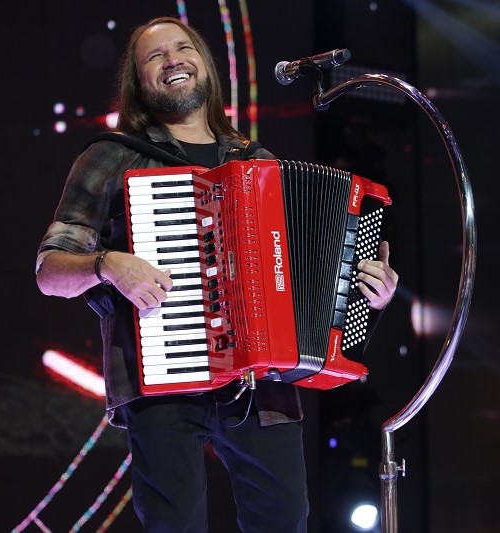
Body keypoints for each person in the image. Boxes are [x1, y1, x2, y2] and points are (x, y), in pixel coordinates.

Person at [36, 16, 399, 533]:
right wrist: (105, 264)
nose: (173, 60)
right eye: (155, 57)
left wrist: (368, 293)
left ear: (206, 64)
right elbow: (49, 271)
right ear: (139, 83)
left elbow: (310, 290)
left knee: (285, 519)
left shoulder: (259, 163)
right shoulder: (111, 157)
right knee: (175, 522)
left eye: (184, 48)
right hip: (163, 381)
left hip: (261, 386)